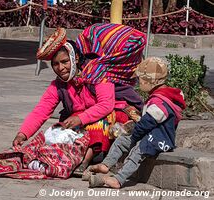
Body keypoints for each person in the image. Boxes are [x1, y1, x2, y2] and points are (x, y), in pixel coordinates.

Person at [12, 23, 146, 173]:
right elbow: (41, 110)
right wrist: (23, 133)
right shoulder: (58, 85)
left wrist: (80, 119)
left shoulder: (97, 71)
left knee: (99, 123)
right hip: (84, 118)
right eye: (55, 64)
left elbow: (106, 105)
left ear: (75, 57)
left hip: (110, 112)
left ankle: (85, 160)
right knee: (57, 131)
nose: (60, 68)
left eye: (64, 62)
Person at [86, 57, 186, 188]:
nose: (139, 82)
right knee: (121, 141)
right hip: (148, 134)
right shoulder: (160, 96)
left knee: (137, 151)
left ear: (149, 81)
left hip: (159, 139)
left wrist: (135, 133)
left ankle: (118, 179)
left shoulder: (160, 103)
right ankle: (106, 165)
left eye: (140, 79)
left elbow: (147, 123)